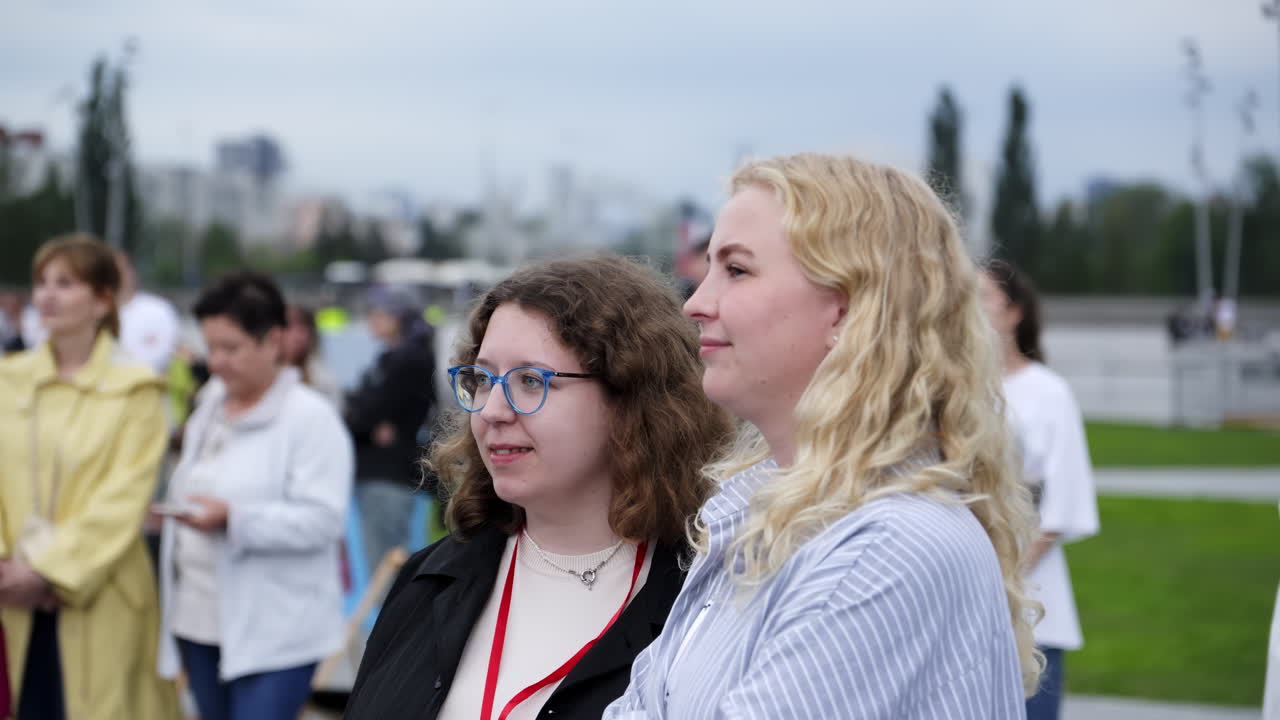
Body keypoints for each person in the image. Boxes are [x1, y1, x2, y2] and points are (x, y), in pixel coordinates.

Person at [606, 153, 1042, 719]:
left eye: (736, 270)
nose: (695, 302)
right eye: (708, 267)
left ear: (847, 308)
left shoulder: (884, 549)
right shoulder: (756, 514)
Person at [345, 255, 734, 720]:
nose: (491, 410)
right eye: (483, 379)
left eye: (531, 381)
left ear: (630, 400)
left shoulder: (702, 603)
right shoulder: (428, 581)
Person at [154, 271, 354, 720]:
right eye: (211, 347)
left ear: (274, 341)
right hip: (198, 618)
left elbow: (324, 521)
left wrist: (234, 519)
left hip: (277, 630)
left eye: (232, 348)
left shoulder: (311, 419)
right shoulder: (210, 402)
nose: (218, 361)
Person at [0, 233, 179, 720]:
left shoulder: (136, 391)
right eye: (41, 283)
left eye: (65, 283)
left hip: (98, 596)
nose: (47, 295)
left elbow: (123, 497)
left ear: (103, 299)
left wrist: (48, 570)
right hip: (8, 596)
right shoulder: (7, 378)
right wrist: (7, 569)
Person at [981, 259, 1099, 720]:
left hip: (1031, 606)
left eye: (982, 298)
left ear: (1014, 313)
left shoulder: (1049, 393)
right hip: (966, 606)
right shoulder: (954, 390)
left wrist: (999, 584)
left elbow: (1060, 506)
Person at [343, 286, 437, 570]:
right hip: (385, 471)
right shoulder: (395, 358)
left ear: (397, 317)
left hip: (389, 474)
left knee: (387, 569)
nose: (371, 318)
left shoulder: (408, 360)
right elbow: (364, 413)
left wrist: (361, 417)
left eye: (378, 312)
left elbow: (365, 414)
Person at [112, 248, 181, 376]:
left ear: (132, 272)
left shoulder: (159, 309)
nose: (117, 275)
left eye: (121, 269)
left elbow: (162, 356)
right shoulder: (90, 315)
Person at [283, 304, 343, 410]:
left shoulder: (323, 379)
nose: (298, 337)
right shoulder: (265, 375)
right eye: (291, 328)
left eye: (303, 329)